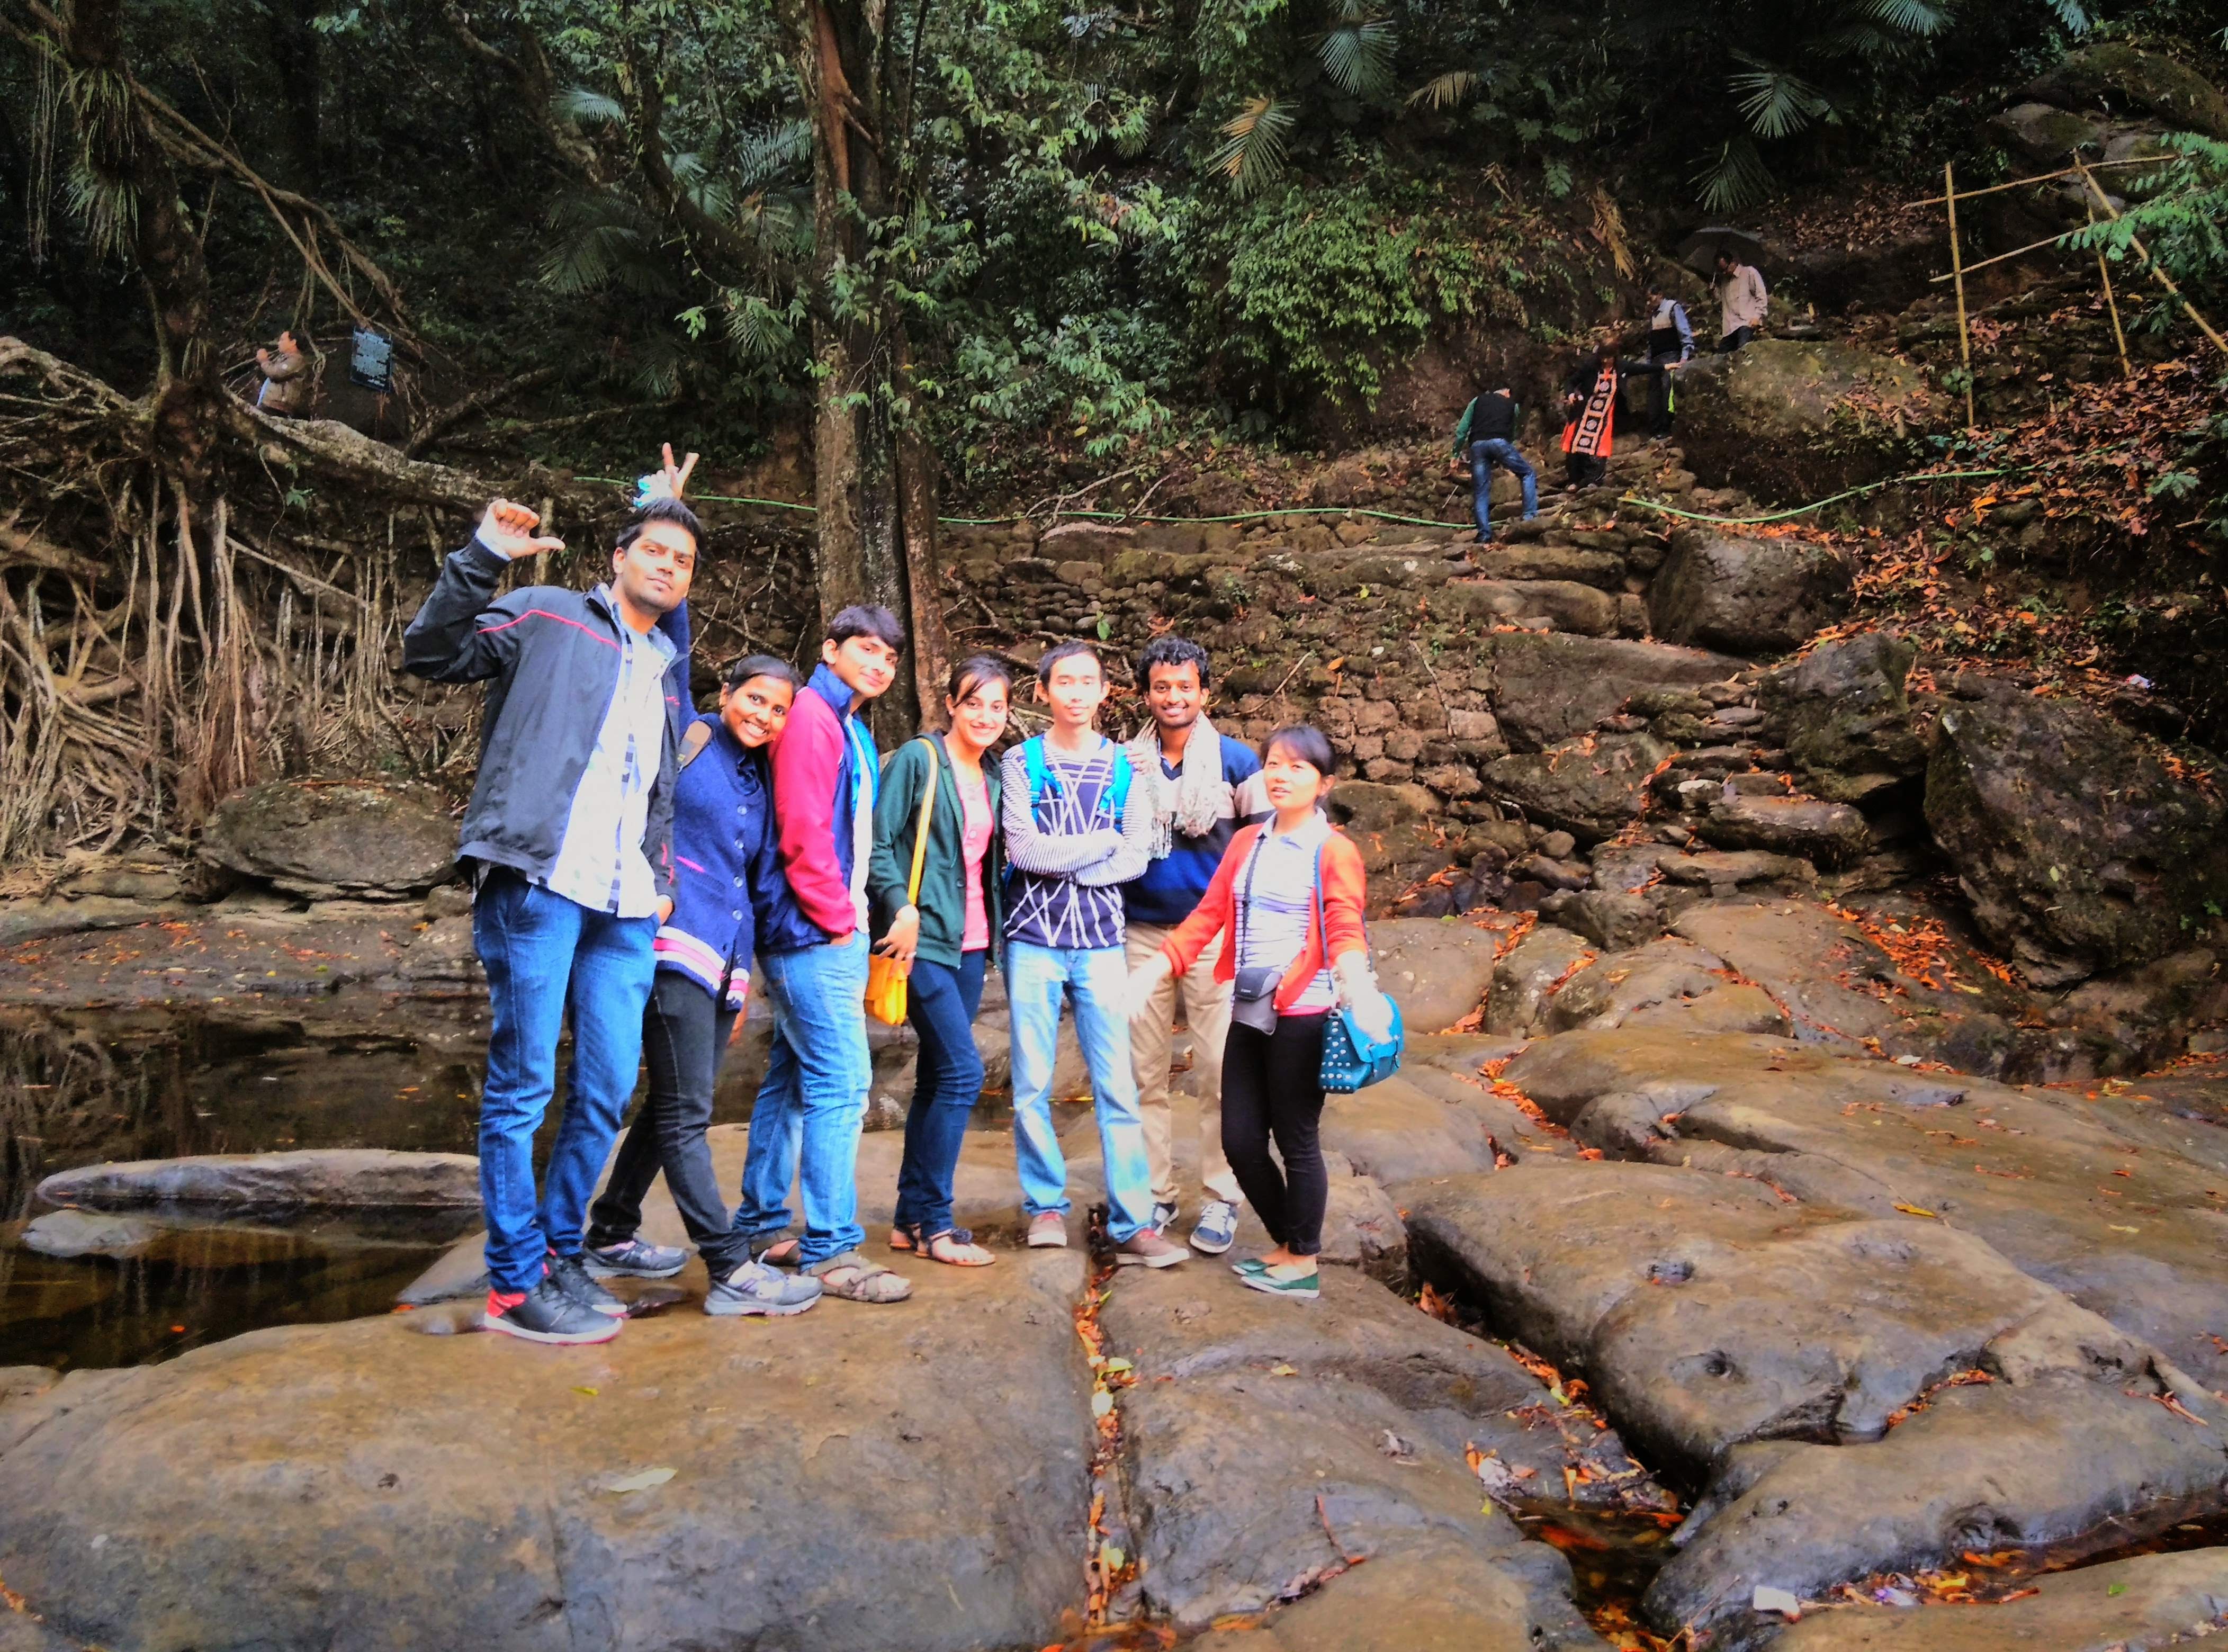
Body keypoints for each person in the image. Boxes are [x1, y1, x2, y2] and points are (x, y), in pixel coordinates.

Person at [401, 493, 697, 1345]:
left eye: (683, 561)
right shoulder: (549, 616)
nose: (669, 568)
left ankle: (561, 1256)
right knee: (524, 1085)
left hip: (625, 903)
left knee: (605, 1089)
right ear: (617, 557)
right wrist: (483, 556)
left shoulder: (662, 666)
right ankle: (510, 1285)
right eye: (656, 551)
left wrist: (662, 874)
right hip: (539, 879)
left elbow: (657, 786)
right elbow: (431, 652)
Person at [580, 655, 825, 1318]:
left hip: (719, 964)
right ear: (723, 694)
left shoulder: (757, 776)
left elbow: (746, 888)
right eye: (753, 699)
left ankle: (608, 1231)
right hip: (668, 950)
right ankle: (727, 1268)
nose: (763, 716)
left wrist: (741, 979)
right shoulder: (686, 736)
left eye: (778, 710)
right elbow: (672, 643)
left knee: (672, 1106)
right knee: (688, 1117)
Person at [1128, 725, 1395, 1303]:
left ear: (1324, 783)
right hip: (1249, 1009)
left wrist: (1359, 988)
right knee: (1240, 1139)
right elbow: (1207, 915)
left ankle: (1301, 1258)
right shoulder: (1247, 843)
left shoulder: (1334, 851)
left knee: (1295, 1140)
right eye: (1273, 763)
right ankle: (1287, 1245)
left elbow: (1344, 926)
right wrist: (1152, 972)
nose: (1280, 775)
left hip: (1302, 1013)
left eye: (1297, 768)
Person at [729, 605, 914, 1304]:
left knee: (793, 1078)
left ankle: (761, 1224)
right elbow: (804, 829)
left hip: (820, 927)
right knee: (842, 1084)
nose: (879, 666)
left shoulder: (850, 726)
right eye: (866, 651)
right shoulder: (809, 714)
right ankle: (832, 1251)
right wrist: (840, 919)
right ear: (831, 650)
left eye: (890, 658)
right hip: (812, 930)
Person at [1003, 641, 1188, 1268]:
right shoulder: (1019, 762)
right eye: (1064, 682)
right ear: (1043, 692)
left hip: (1101, 942)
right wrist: (1100, 842)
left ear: (1105, 692)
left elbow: (1136, 854)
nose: (1076, 694)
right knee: (1030, 1083)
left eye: (1088, 682)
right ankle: (1044, 1207)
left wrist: (1083, 865)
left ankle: (1133, 1220)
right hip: (1031, 939)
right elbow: (1023, 850)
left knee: (1117, 1084)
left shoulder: (1123, 767)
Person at [866, 657, 1014, 1268]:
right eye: (973, 703)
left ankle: (908, 1219)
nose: (984, 716)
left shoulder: (997, 774)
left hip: (971, 944)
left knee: (934, 1077)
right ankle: (937, 1224)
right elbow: (875, 845)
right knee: (962, 1074)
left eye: (997, 706)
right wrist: (899, 905)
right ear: (950, 704)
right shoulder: (917, 761)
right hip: (919, 941)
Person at [1120, 636, 1266, 1255]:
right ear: (1144, 693)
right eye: (1161, 686)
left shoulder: (1236, 763)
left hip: (1213, 937)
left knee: (1218, 1072)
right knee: (1140, 1074)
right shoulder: (1125, 764)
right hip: (1139, 933)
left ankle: (1220, 1197)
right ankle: (1151, 1195)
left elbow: (1265, 851)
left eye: (1185, 686)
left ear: (1204, 692)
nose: (1173, 697)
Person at [1457, 387, 1538, 543]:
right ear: (1507, 392)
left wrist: (1455, 454)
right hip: (1500, 443)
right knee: (1527, 473)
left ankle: (1484, 535)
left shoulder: (1477, 400)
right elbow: (1512, 432)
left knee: (1481, 491)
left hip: (1477, 445)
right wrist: (1504, 453)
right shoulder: (1512, 405)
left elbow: (1462, 429)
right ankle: (1529, 517)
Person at [1561, 348, 1621, 489]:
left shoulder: (1621, 367)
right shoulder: (1590, 367)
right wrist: (1570, 394)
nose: (1606, 361)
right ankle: (1574, 480)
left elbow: (1641, 368)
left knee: (1599, 448)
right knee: (1575, 444)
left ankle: (1594, 480)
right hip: (1583, 412)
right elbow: (1570, 382)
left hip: (1603, 416)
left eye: (1609, 357)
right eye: (1603, 358)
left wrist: (1665, 366)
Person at [1642, 284, 1695, 441]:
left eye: (1651, 299)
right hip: (1656, 359)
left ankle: (1666, 429)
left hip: (1671, 356)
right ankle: (1655, 429)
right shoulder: (1653, 314)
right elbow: (1651, 341)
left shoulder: (1673, 308)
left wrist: (1684, 357)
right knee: (1654, 394)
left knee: (1668, 392)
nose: (1649, 303)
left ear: (1660, 295)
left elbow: (1685, 333)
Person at [1713, 250, 1767, 354]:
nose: (1724, 273)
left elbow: (1761, 295)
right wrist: (1713, 292)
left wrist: (1757, 316)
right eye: (1721, 271)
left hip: (1746, 322)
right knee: (1721, 357)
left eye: (1725, 269)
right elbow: (1721, 302)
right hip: (1729, 327)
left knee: (1743, 352)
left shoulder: (1749, 273)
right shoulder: (1724, 282)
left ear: (1733, 262)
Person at [255, 331, 307, 417]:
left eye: (282, 340)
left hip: (279, 408)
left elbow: (275, 374)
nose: (279, 343)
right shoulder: (283, 359)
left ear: (293, 342)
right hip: (270, 406)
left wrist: (264, 361)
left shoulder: (297, 360)